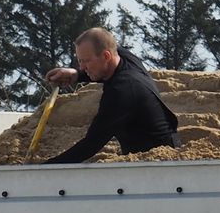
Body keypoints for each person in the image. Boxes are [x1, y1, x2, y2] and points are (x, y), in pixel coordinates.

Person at [40, 27, 180, 162]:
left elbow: (91, 143)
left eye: (86, 61)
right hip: (161, 150)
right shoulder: (123, 57)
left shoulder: (122, 91)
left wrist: (45, 169)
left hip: (157, 162)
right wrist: (76, 74)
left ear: (106, 55)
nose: (82, 66)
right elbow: (103, 67)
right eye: (80, 61)